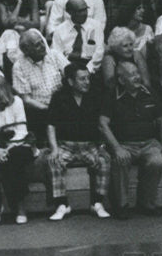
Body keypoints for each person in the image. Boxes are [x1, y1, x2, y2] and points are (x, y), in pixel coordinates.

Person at [99, 60, 162, 218]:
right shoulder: (111, 95)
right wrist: (117, 148)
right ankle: (121, 205)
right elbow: (103, 124)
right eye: (132, 75)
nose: (137, 77)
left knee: (157, 161)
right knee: (121, 160)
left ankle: (147, 203)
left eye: (137, 73)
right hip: (124, 143)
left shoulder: (149, 92)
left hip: (149, 142)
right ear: (121, 80)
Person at [45, 63, 113, 220]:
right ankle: (62, 205)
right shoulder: (59, 97)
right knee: (54, 161)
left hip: (89, 145)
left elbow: (102, 124)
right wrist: (54, 149)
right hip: (65, 145)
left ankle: (97, 203)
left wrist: (102, 146)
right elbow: (51, 125)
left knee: (104, 161)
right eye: (82, 79)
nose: (87, 82)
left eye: (88, 78)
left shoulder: (95, 95)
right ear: (70, 81)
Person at [0, 75, 36, 225]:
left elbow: (22, 131)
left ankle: (20, 206)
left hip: (17, 143)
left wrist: (8, 149)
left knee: (15, 158)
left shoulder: (17, 102)